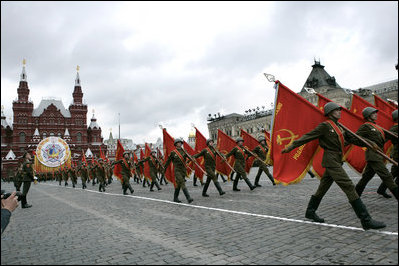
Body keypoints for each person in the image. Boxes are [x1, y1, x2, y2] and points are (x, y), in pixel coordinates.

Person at [281, 102, 386, 230]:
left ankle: (310, 211)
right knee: (348, 186)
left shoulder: (340, 127)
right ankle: (366, 220)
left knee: (323, 188)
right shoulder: (325, 126)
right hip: (331, 161)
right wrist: (291, 146)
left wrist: (370, 143)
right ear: (330, 113)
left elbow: (354, 139)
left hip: (336, 160)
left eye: (339, 110)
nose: (340, 112)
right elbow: (308, 137)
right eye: (337, 110)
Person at [353, 107, 398, 200]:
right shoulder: (365, 126)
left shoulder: (376, 126)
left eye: (375, 113)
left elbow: (385, 138)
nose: (376, 114)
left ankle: (355, 197)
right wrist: (369, 143)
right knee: (387, 176)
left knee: (366, 177)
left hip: (378, 155)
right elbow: (355, 138)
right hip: (373, 155)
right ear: (368, 116)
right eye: (373, 113)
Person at [376, 109, 398, 198]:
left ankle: (382, 189)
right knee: (393, 173)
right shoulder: (395, 128)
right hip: (397, 153)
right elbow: (385, 138)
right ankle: (393, 189)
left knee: (394, 173)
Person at [163, 138, 193, 203]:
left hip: (183, 170)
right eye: (178, 143)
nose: (180, 144)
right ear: (176, 144)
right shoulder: (173, 153)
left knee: (178, 184)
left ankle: (175, 198)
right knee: (182, 182)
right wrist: (164, 168)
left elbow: (188, 158)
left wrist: (191, 159)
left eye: (180, 143)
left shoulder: (184, 151)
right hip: (177, 170)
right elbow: (168, 161)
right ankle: (188, 198)